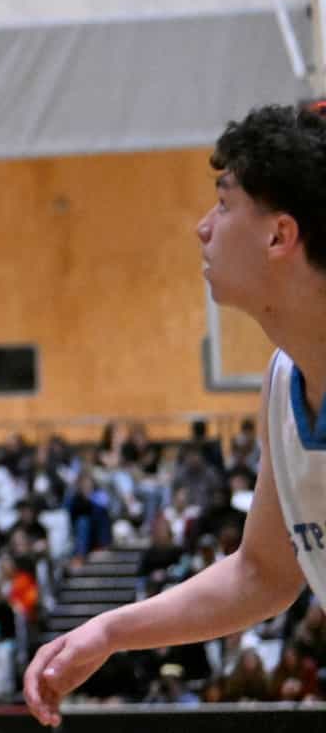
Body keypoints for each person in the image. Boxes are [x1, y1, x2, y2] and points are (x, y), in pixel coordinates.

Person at [26, 101, 326, 726]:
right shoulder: (282, 379)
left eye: (224, 203)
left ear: (279, 235)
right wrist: (109, 632)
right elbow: (263, 573)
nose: (202, 227)